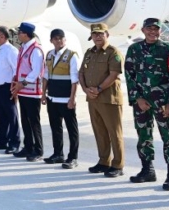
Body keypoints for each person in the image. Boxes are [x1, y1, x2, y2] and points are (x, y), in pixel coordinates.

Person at [124, 18, 169, 190]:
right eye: (149, 29)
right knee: (143, 135)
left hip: (163, 103)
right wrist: (137, 98)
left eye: (156, 29)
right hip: (142, 102)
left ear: (160, 31)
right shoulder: (134, 49)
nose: (152, 32)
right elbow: (129, 75)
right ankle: (147, 170)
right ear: (143, 30)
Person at [79, 23, 125, 178]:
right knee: (99, 132)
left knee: (114, 132)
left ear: (107, 35)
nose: (97, 37)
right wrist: (86, 90)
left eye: (100, 34)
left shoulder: (113, 52)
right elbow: (81, 73)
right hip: (93, 98)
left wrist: (98, 89)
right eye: (94, 34)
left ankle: (118, 164)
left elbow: (113, 74)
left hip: (108, 98)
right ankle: (104, 161)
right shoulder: (89, 52)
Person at [41, 28, 80, 169]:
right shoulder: (50, 55)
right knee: (55, 127)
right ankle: (58, 153)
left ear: (65, 40)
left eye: (60, 38)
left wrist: (72, 98)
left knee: (71, 129)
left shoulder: (71, 56)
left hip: (65, 99)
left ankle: (73, 157)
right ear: (51, 41)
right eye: (55, 38)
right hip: (52, 98)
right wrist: (43, 94)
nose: (58, 40)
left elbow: (74, 80)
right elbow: (46, 76)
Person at [12, 22, 44, 161]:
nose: (18, 35)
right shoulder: (23, 48)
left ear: (25, 34)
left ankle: (38, 149)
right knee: (25, 121)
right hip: (23, 91)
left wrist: (22, 83)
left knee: (34, 122)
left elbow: (36, 71)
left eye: (20, 33)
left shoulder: (35, 50)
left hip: (32, 92)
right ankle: (28, 147)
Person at [0, 26, 21, 154]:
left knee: (12, 117)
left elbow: (16, 70)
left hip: (7, 88)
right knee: (1, 116)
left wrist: (14, 89)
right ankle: (3, 140)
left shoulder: (11, 50)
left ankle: (14, 142)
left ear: (2, 36)